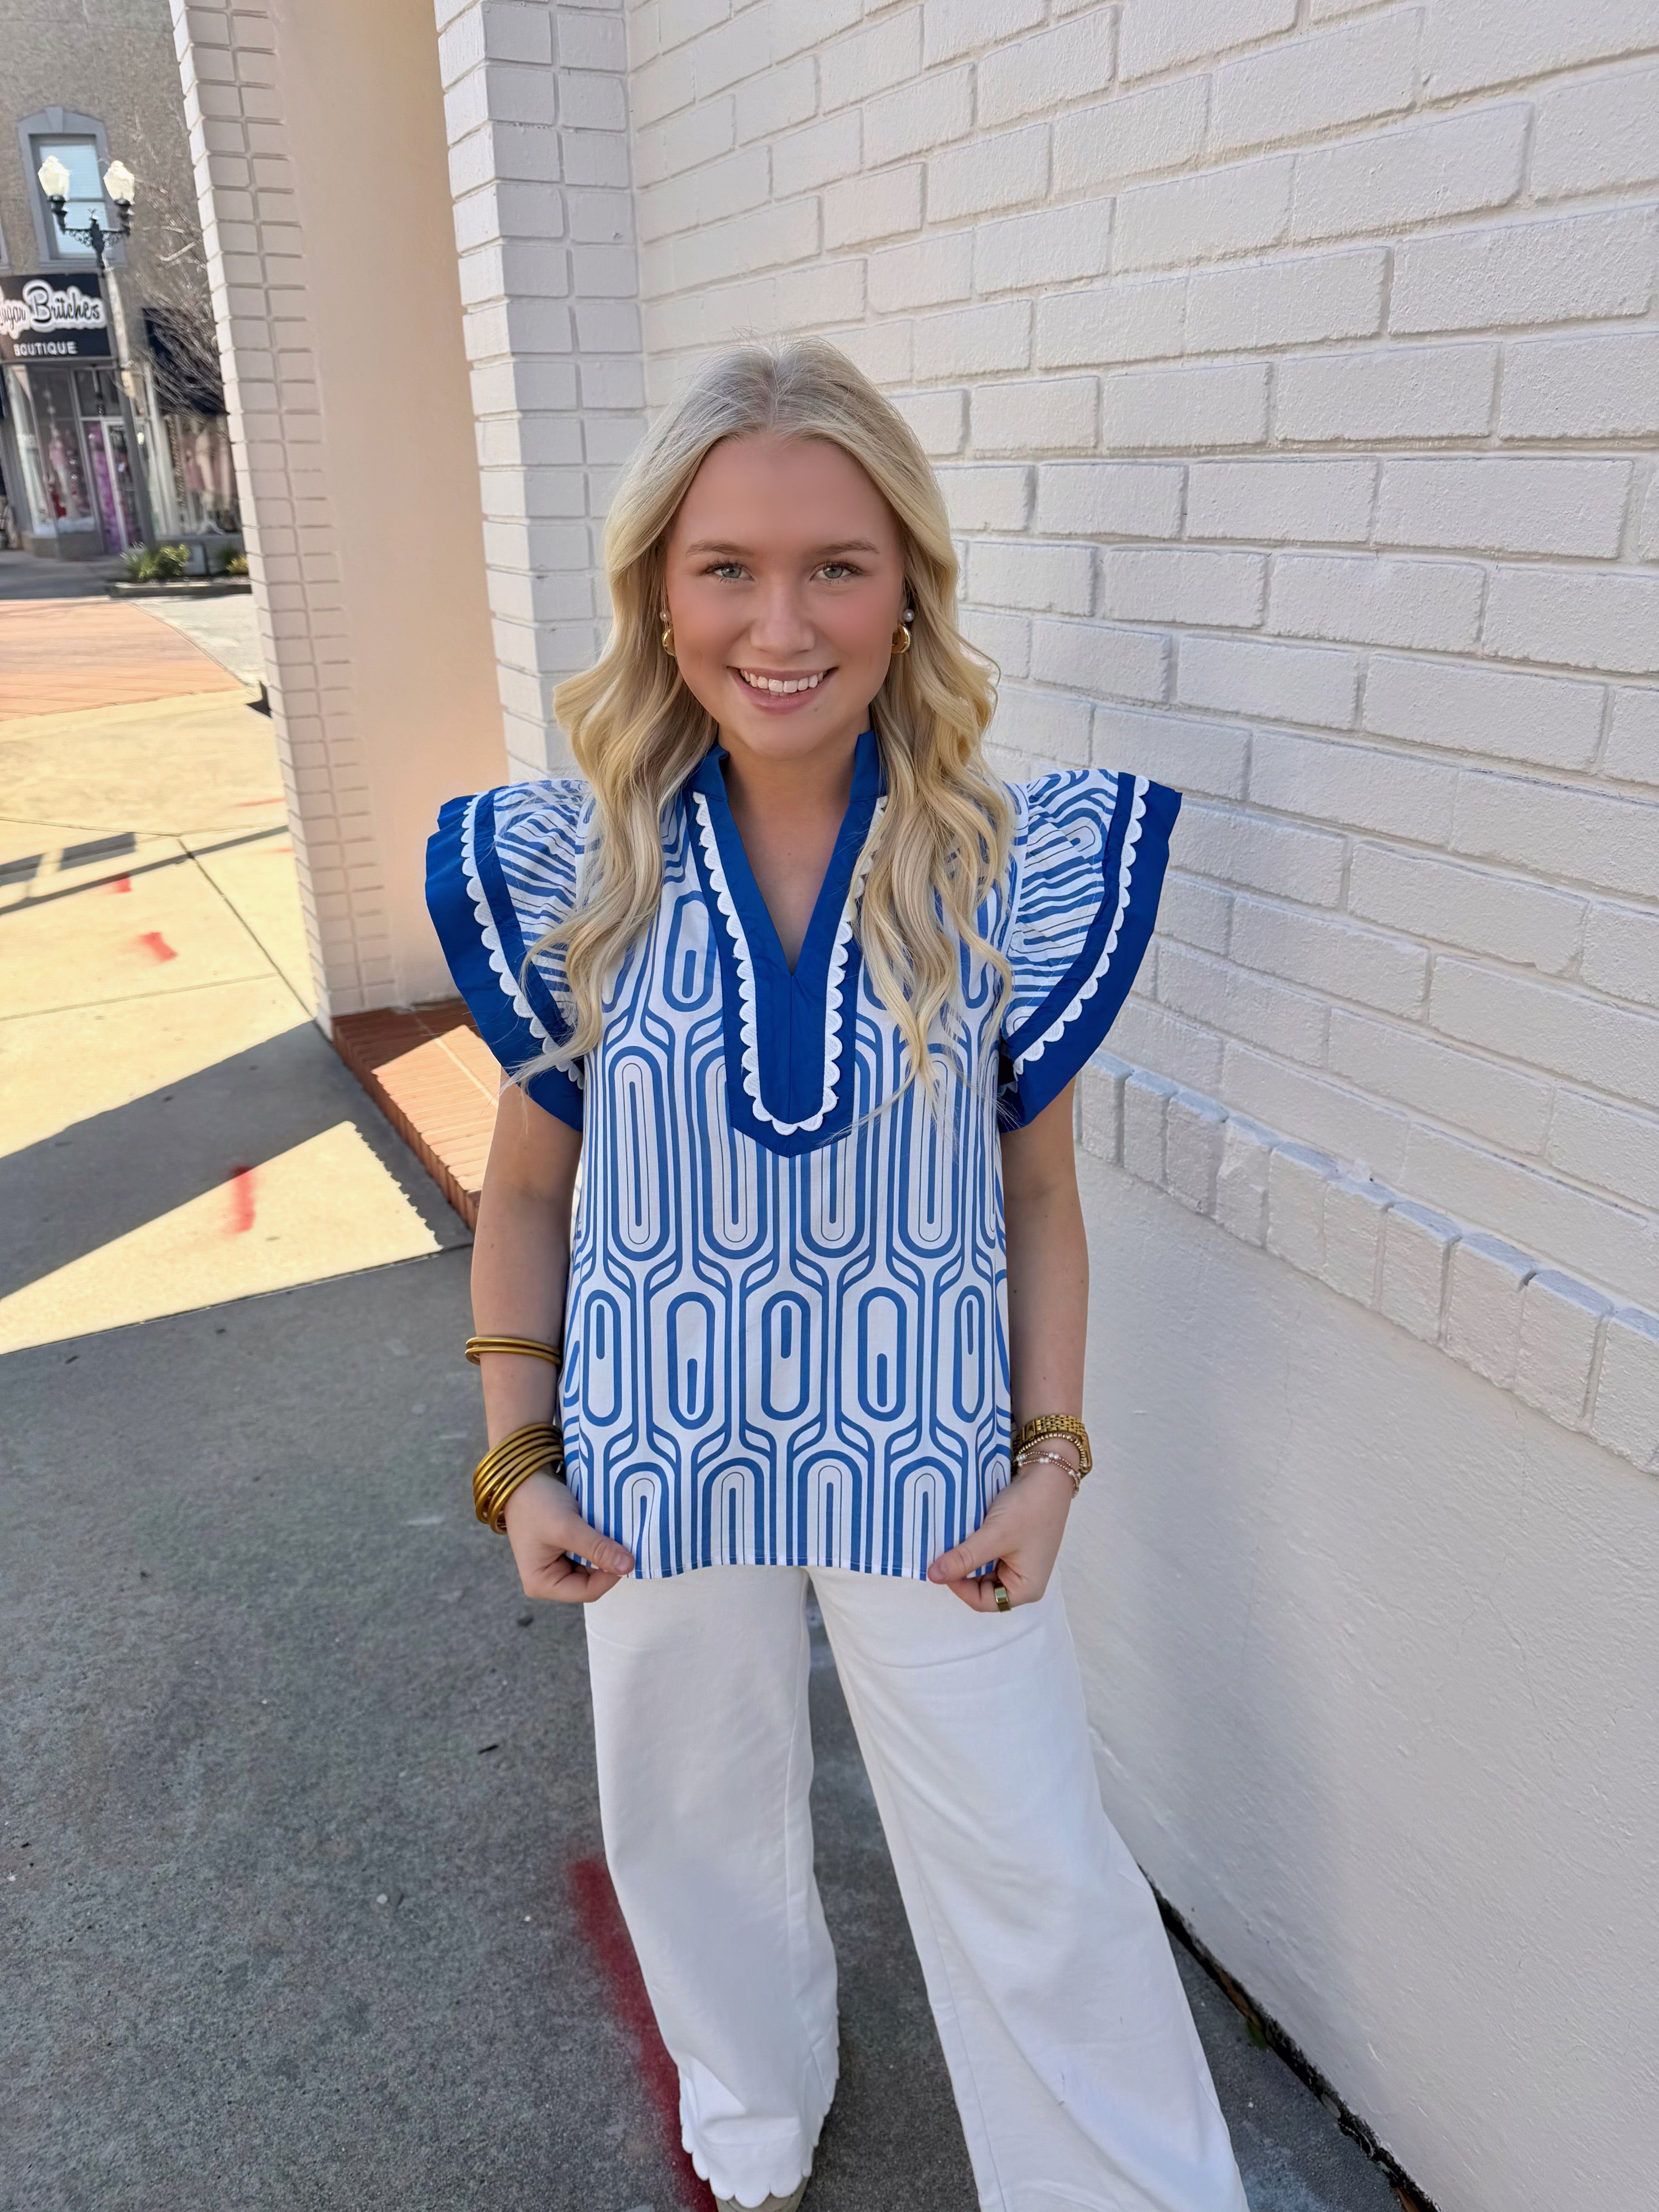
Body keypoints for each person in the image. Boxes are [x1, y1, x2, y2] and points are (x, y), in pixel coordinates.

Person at [425, 339, 1247, 2212]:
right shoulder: (573, 864)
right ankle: (754, 2096)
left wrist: (1051, 1464)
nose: (779, 621)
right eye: (727, 566)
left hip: (933, 1463)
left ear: (908, 589)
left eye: (835, 566)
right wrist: (517, 1452)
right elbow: (532, 1194)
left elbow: (1039, 1199)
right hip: (653, 1467)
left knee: (1032, 1862)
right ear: (658, 588)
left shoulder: (1007, 866)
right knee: (691, 1820)